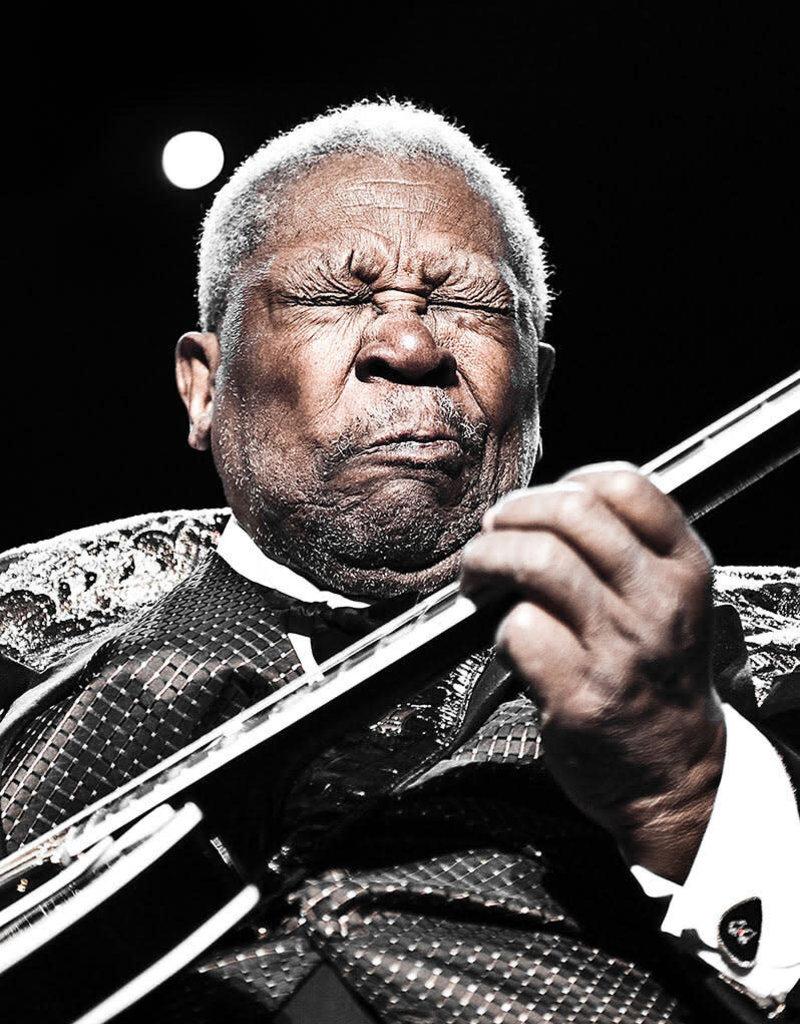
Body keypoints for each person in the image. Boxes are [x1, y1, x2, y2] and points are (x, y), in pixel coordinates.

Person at [0, 100, 797, 1023]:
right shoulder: (25, 637)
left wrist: (687, 786)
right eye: (334, 298)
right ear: (205, 385)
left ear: (535, 390)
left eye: (465, 303)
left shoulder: (760, 656)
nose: (410, 346)